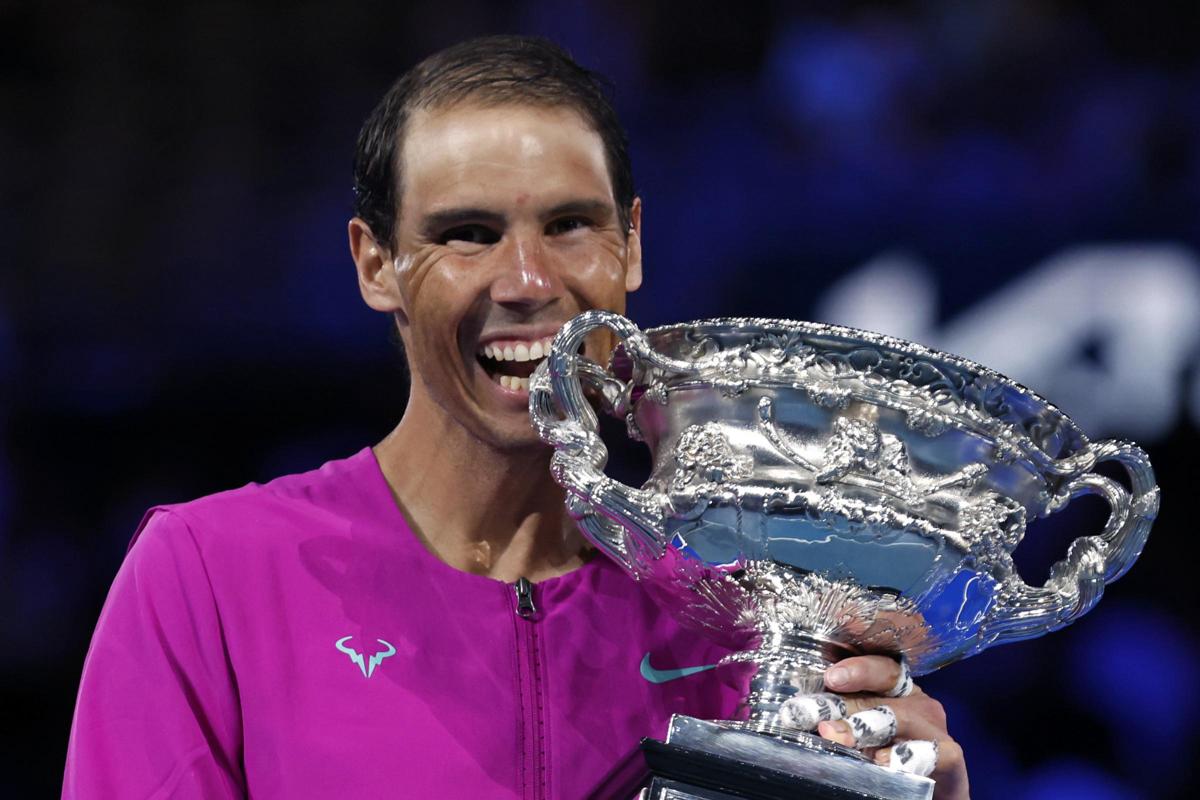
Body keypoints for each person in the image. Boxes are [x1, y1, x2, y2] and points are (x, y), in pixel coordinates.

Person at [64, 35, 968, 799]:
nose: (529, 283)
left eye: (572, 225)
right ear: (376, 264)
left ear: (633, 246)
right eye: (468, 234)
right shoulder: (212, 577)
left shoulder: (747, 610)